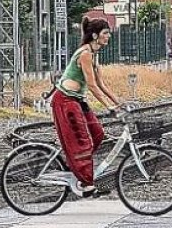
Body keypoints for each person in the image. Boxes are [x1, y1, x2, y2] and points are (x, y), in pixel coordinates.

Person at [51, 16, 122, 196]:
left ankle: (76, 166)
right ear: (95, 35)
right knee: (82, 140)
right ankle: (86, 183)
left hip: (77, 100)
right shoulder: (85, 54)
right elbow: (91, 85)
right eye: (106, 33)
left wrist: (120, 103)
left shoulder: (93, 54)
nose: (109, 36)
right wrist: (109, 107)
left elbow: (101, 84)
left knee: (98, 134)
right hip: (65, 100)